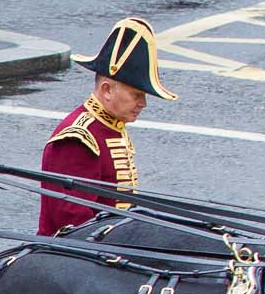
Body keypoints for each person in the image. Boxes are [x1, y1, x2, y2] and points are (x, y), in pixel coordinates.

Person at [36, 17, 174, 237]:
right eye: (137, 95)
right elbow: (74, 225)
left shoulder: (109, 126)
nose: (143, 104)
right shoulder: (78, 139)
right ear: (107, 89)